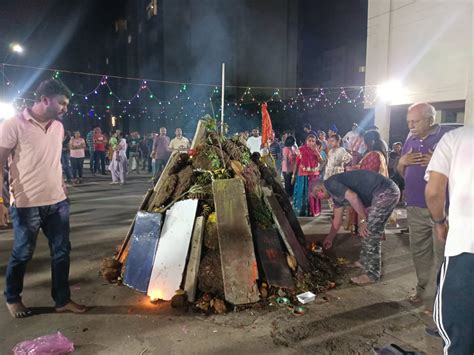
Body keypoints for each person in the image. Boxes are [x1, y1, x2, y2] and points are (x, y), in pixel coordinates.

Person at [0, 79, 87, 318]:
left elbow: (53, 160)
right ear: (45, 99)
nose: (65, 109)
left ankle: (62, 300)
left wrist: (62, 187)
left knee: (61, 251)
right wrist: (1, 202)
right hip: (27, 205)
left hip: (58, 203)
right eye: (62, 103)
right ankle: (12, 298)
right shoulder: (12, 125)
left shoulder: (58, 128)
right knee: (23, 253)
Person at [397, 102, 450, 313]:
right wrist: (402, 161)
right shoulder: (410, 138)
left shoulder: (447, 138)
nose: (411, 125)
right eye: (409, 121)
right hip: (415, 206)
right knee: (419, 251)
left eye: (415, 121)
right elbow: (403, 172)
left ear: (430, 119)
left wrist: (437, 162)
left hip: (440, 209)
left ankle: (439, 296)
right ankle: (422, 290)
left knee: (441, 253)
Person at [425, 126, 474, 353]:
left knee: (460, 335)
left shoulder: (456, 137)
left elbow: (434, 191)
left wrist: (440, 222)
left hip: (466, 245)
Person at [315, 170, 400, 285]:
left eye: (317, 196)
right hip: (381, 194)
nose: (320, 199)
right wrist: (330, 238)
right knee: (364, 229)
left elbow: (353, 197)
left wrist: (364, 219)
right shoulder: (335, 194)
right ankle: (364, 261)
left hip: (386, 192)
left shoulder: (331, 184)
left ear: (318, 190)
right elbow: (337, 219)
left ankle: (372, 274)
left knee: (370, 231)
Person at [292, 133, 323, 217]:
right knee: (302, 193)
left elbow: (321, 161)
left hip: (314, 175)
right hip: (303, 175)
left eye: (313, 141)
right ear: (306, 141)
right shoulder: (301, 149)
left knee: (313, 193)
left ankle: (313, 211)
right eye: (309, 141)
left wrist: (316, 152)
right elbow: (297, 163)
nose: (311, 143)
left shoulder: (316, 150)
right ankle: (302, 212)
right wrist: (293, 175)